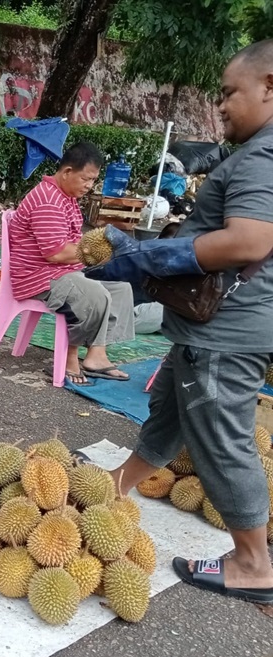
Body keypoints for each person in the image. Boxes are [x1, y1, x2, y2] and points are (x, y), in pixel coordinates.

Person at [108, 39, 273, 603]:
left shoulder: (263, 157)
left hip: (227, 332)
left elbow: (249, 240)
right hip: (216, 326)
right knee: (172, 408)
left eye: (230, 93)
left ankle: (254, 563)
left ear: (269, 87)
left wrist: (150, 256)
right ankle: (120, 484)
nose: (221, 106)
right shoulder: (257, 155)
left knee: (220, 439)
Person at [8, 142, 135, 386]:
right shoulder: (48, 200)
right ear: (67, 172)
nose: (89, 186)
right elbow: (55, 253)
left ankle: (97, 354)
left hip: (62, 273)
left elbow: (74, 243)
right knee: (95, 293)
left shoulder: (66, 196)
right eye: (86, 179)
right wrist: (97, 253)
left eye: (93, 180)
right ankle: (69, 356)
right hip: (38, 276)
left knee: (120, 289)